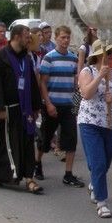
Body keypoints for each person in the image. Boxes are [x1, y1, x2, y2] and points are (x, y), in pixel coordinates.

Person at [0, 24, 43, 194]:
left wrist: (35, 106)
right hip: (4, 109)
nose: (29, 39)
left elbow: (32, 83)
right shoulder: (0, 58)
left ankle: (29, 178)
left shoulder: (26, 59)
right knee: (1, 146)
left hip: (24, 110)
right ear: (17, 37)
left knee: (26, 143)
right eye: (27, 36)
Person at [78, 40, 112, 218]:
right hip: (90, 122)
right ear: (98, 55)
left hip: (110, 123)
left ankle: (95, 183)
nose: (111, 56)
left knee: (106, 161)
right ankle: (101, 202)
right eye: (107, 53)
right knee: (98, 161)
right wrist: (99, 76)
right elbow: (86, 93)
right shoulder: (87, 71)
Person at [35, 25, 82, 186]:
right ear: (56, 38)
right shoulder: (49, 58)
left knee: (71, 139)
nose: (66, 40)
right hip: (52, 105)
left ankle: (68, 173)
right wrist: (48, 104)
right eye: (62, 37)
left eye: (68, 37)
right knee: (45, 138)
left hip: (68, 105)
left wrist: (76, 107)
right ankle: (37, 163)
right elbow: (43, 83)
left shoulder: (73, 58)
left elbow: (76, 84)